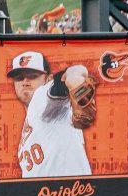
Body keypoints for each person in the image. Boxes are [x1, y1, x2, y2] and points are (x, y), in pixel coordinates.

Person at [8, 50, 96, 179]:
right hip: (47, 194)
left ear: (48, 79)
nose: (25, 81)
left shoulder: (41, 96)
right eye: (19, 78)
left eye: (32, 76)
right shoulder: (30, 123)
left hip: (70, 192)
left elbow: (70, 76)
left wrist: (74, 76)